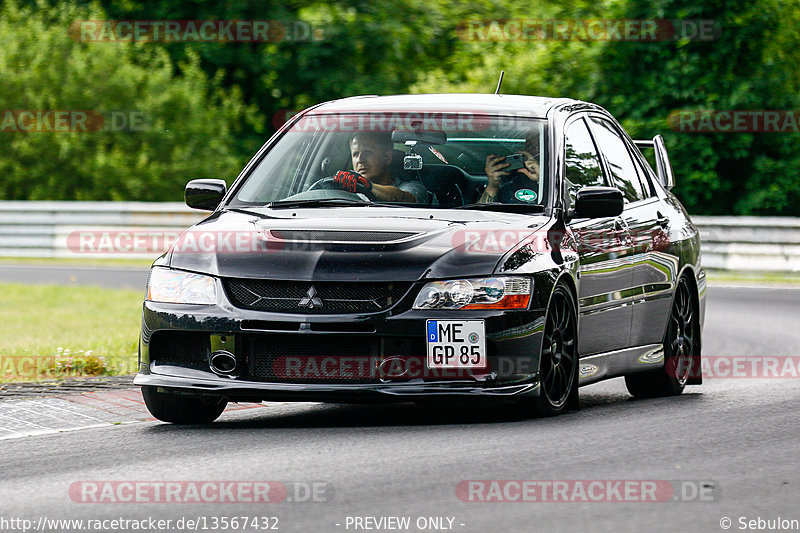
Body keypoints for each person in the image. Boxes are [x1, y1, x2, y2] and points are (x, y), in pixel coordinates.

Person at [331, 132, 427, 203]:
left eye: (368, 152)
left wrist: (367, 186)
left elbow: (404, 199)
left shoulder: (414, 187)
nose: (360, 159)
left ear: (387, 157)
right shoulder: (345, 189)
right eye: (356, 154)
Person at [478, 131, 541, 204]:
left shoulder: (554, 177)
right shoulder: (510, 176)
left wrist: (542, 178)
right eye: (530, 145)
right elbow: (482, 212)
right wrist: (493, 185)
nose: (533, 150)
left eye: (538, 146)